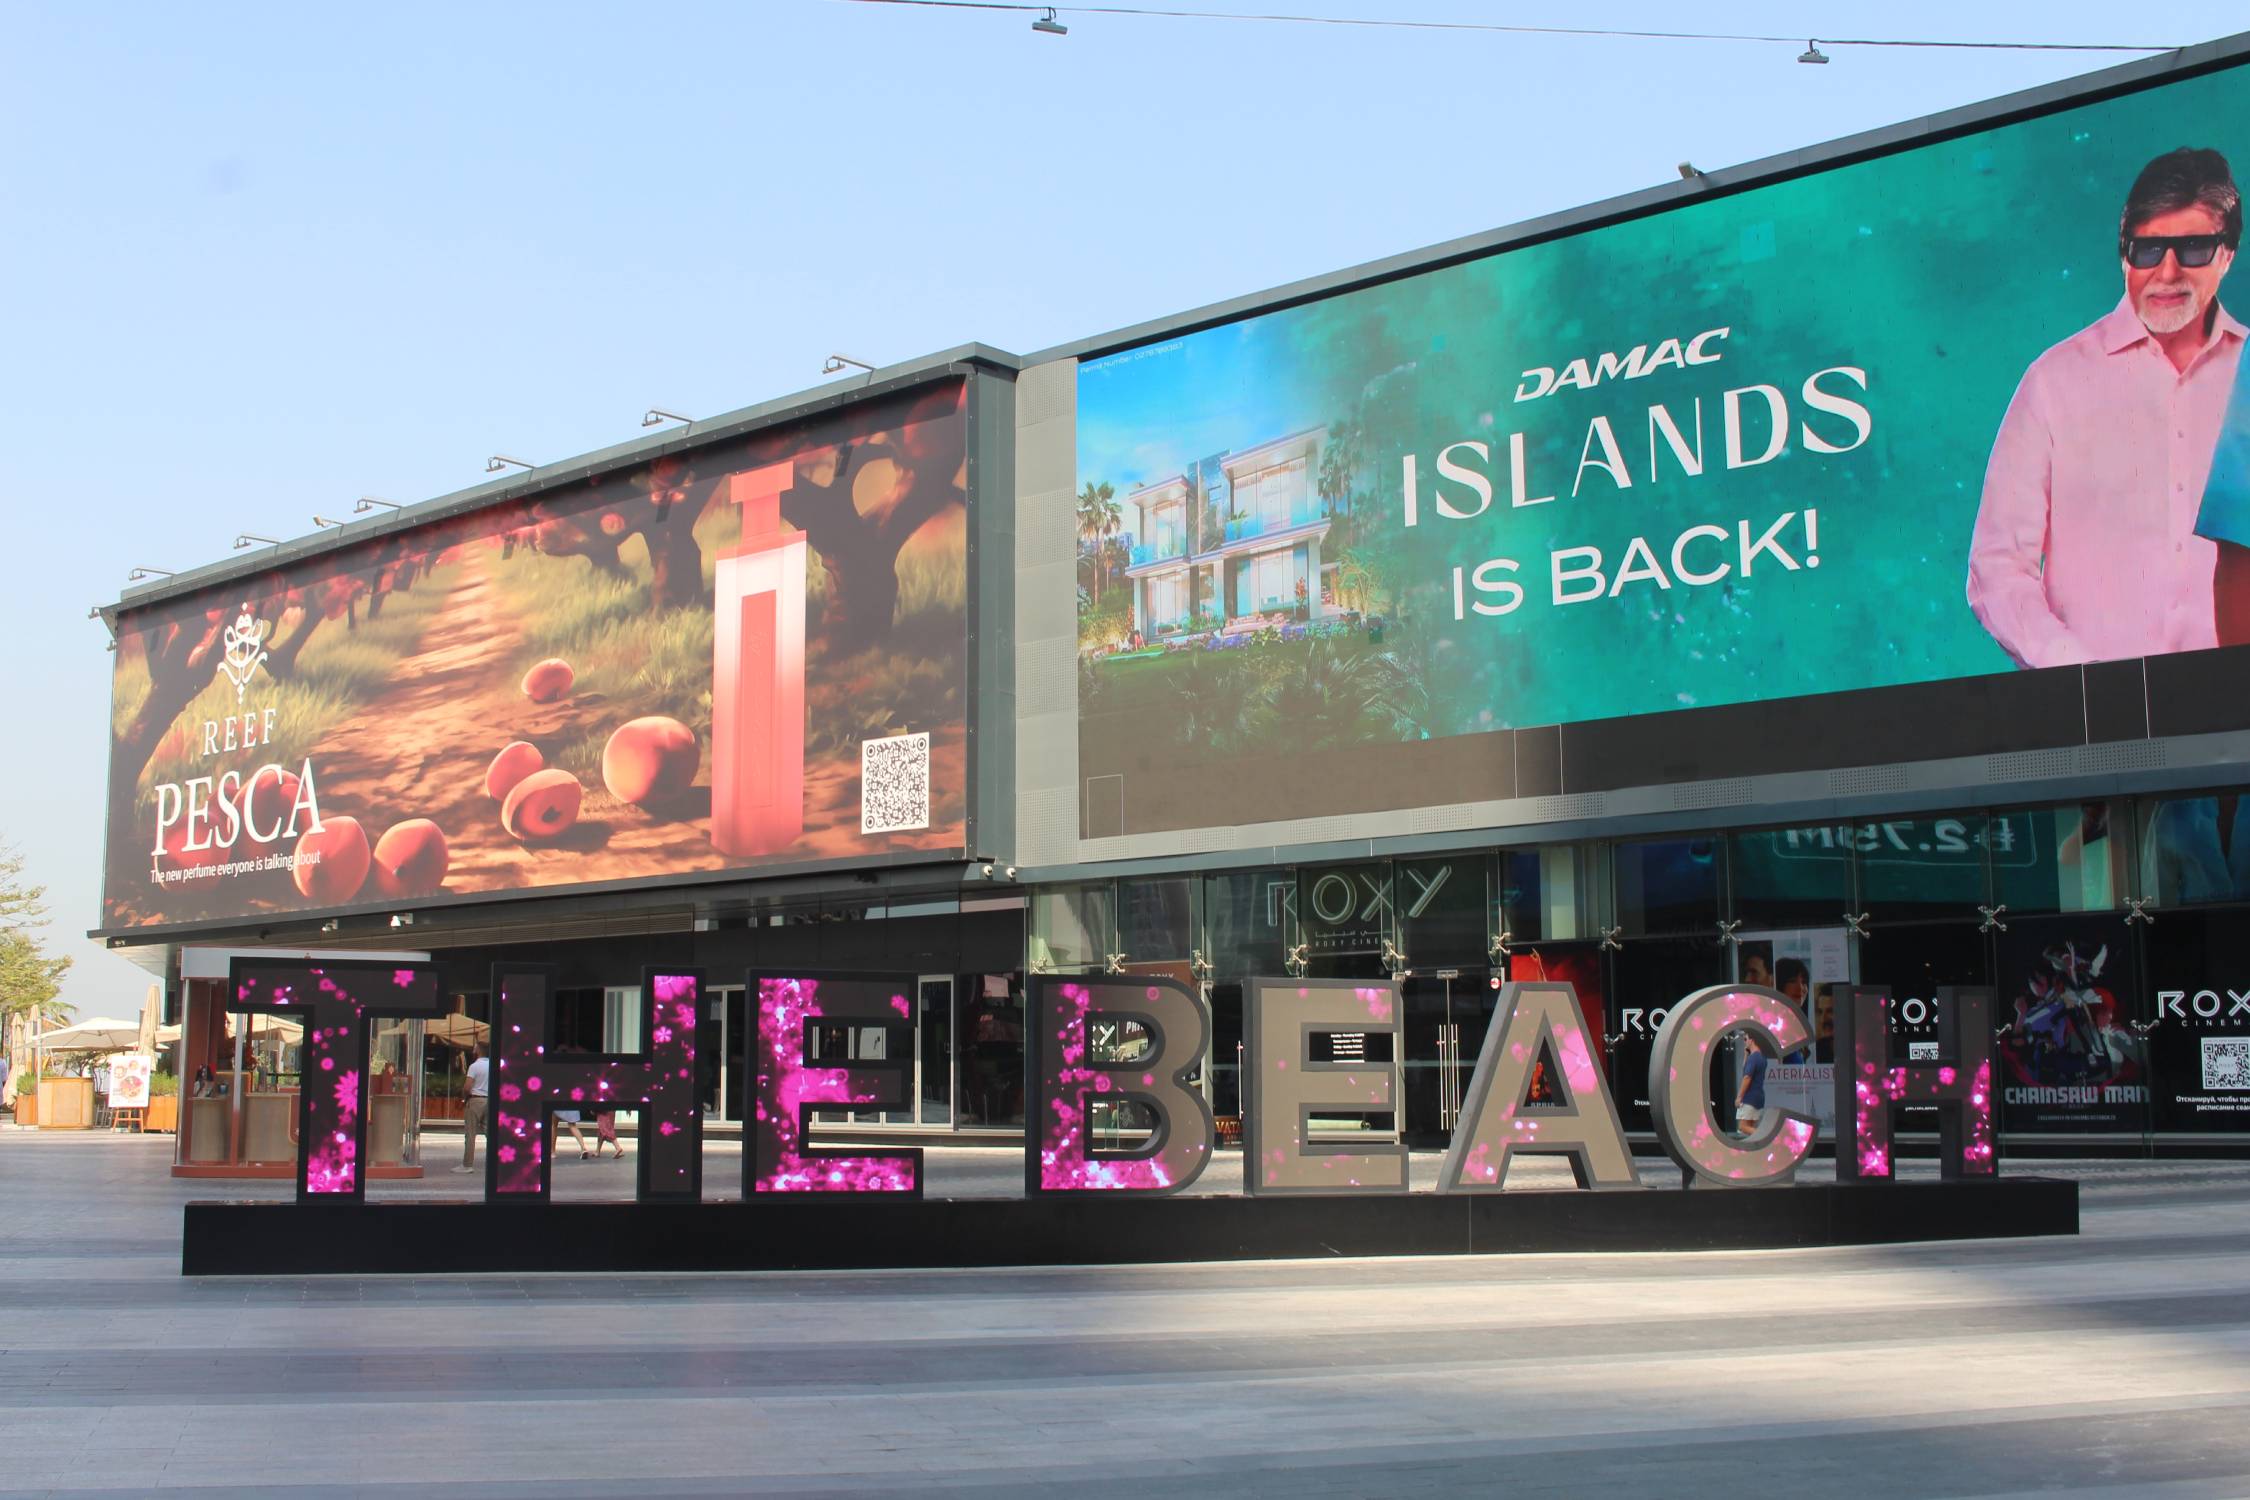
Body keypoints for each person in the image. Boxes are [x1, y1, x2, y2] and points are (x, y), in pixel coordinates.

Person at [1968, 147, 2244, 668]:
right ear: (2124, 256)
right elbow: (1997, 567)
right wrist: (2075, 671)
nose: (2166, 273)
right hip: (2098, 721)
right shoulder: (2055, 382)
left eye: (2192, 248)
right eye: (2147, 251)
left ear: (2227, 254)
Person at [453, 1045, 489, 1173]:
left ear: (478, 1051)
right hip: (489, 1100)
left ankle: (467, 1165)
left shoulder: (474, 1066)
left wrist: (464, 1097)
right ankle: (493, 1163)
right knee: (489, 1133)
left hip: (475, 1100)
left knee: (470, 1134)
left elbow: (467, 1086)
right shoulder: (492, 1065)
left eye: (475, 1048)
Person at [1736, 1039, 1770, 1136]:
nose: (1744, 1042)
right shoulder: (1762, 1058)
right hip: (1758, 1097)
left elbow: (1747, 1077)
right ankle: (1760, 1143)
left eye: (1745, 1039)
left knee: (1742, 1127)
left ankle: (1766, 1137)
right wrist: (1746, 1054)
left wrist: (1739, 1097)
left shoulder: (1754, 1058)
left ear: (1752, 1040)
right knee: (1750, 1128)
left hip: (1749, 1097)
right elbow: (1745, 1070)